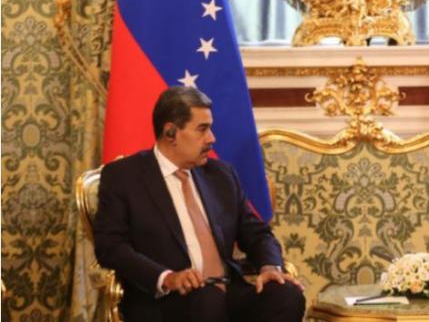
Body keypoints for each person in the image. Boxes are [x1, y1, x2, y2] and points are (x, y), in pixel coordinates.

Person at [93, 86, 305, 322]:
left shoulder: (221, 174)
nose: (212, 138)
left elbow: (256, 232)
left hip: (227, 290)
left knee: (286, 295)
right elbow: (110, 247)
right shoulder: (124, 177)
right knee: (207, 302)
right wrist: (167, 277)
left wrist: (270, 267)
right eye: (202, 129)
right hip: (168, 301)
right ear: (171, 133)